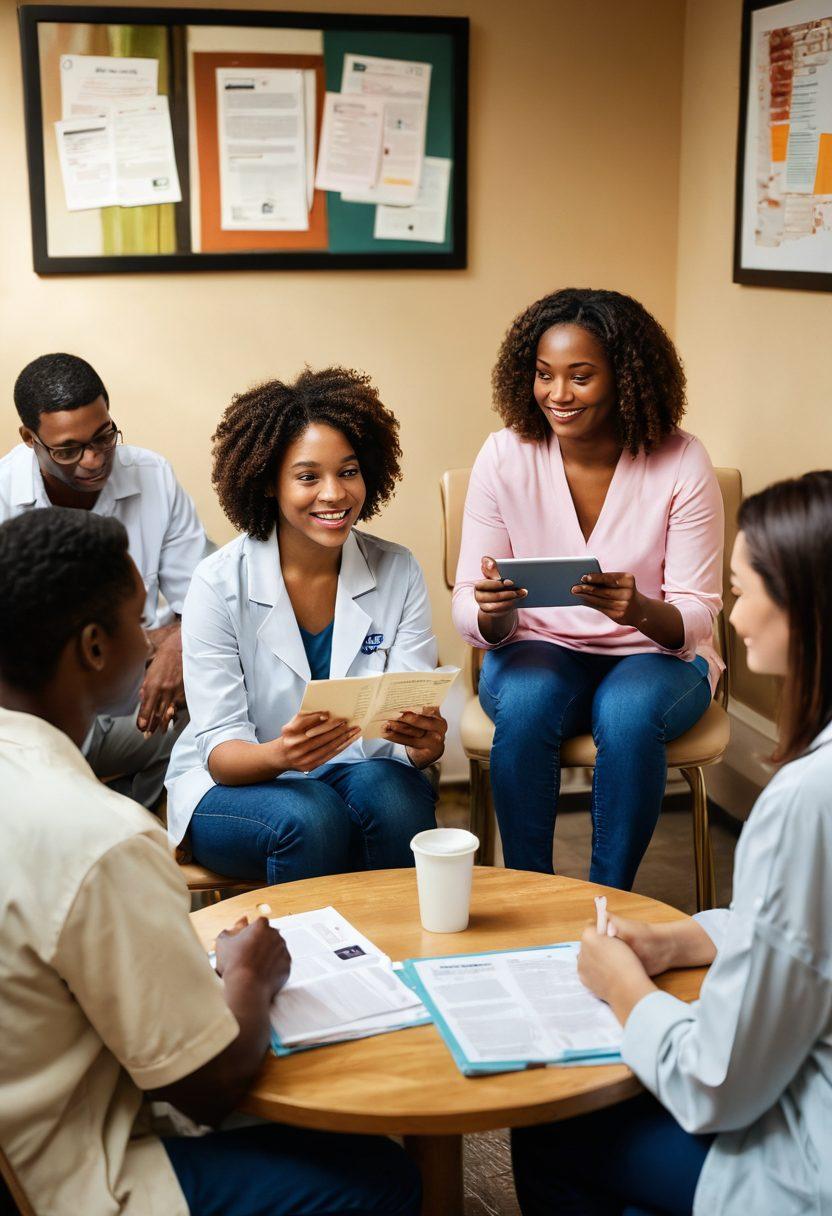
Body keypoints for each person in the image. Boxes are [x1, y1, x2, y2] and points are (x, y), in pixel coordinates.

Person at [0, 507, 421, 1216]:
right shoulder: (104, 836)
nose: (153, 641)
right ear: (96, 648)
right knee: (381, 1178)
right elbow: (204, 1086)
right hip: (65, 1178)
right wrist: (250, 973)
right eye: (142, 622)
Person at [511, 469, 832, 1216]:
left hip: (806, 1169)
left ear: (808, 609)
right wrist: (681, 940)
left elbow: (715, 1083)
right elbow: (805, 933)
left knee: (550, 1125)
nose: (734, 614)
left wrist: (625, 985)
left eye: (745, 589)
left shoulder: (803, 804)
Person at [453, 288, 722, 889]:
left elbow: (699, 612)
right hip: (540, 648)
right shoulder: (504, 456)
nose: (558, 395)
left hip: (655, 655)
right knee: (524, 706)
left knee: (626, 713)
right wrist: (490, 611)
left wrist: (642, 610)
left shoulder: (681, 460)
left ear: (626, 378)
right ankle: (531, 892)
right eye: (544, 375)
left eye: (581, 377)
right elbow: (469, 603)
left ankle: (606, 900)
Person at [165, 366, 445, 882]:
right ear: (269, 483)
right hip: (235, 787)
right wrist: (282, 754)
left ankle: (399, 958)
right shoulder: (218, 582)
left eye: (349, 471)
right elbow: (223, 755)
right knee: (313, 816)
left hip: (353, 772)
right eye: (308, 476)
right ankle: (310, 962)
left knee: (397, 800)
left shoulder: (397, 568)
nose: (335, 494)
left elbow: (399, 728)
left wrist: (422, 744)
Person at [0, 352, 207, 807]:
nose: (94, 460)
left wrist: (178, 642)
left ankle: (126, 817)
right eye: (68, 449)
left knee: (221, 711)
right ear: (29, 439)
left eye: (104, 436)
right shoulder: (2, 497)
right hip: (39, 710)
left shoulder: (152, 475)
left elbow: (206, 598)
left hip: (145, 694)